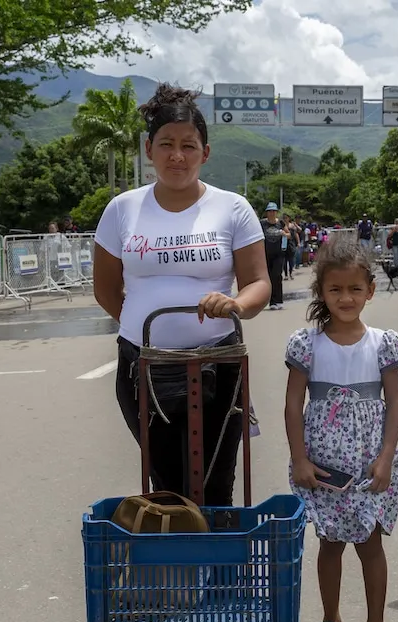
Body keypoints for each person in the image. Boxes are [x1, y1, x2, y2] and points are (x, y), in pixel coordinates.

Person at [92, 84, 271, 506]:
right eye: (166, 144)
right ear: (149, 149)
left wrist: (235, 305)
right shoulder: (122, 209)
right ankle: (179, 569)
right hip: (144, 365)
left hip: (220, 361)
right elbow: (104, 288)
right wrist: (144, 323)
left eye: (188, 146)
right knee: (167, 483)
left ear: (204, 153)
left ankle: (219, 568)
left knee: (216, 481)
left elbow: (259, 283)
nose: (177, 155)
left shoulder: (233, 207)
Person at [284, 240, 398, 622]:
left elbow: (395, 404)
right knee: (330, 543)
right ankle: (329, 619)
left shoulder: (383, 344)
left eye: (355, 289)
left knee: (370, 544)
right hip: (323, 465)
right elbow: (292, 405)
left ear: (370, 290)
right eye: (335, 290)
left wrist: (386, 457)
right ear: (321, 292)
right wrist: (300, 460)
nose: (346, 298)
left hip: (370, 463)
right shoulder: (306, 345)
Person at [261, 202, 288, 310]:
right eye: (269, 211)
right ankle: (272, 302)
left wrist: (283, 234)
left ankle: (278, 300)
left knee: (277, 276)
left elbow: (289, 234)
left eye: (273, 211)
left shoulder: (280, 223)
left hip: (278, 254)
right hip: (266, 254)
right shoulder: (262, 224)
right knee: (268, 277)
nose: (271, 213)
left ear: (276, 212)